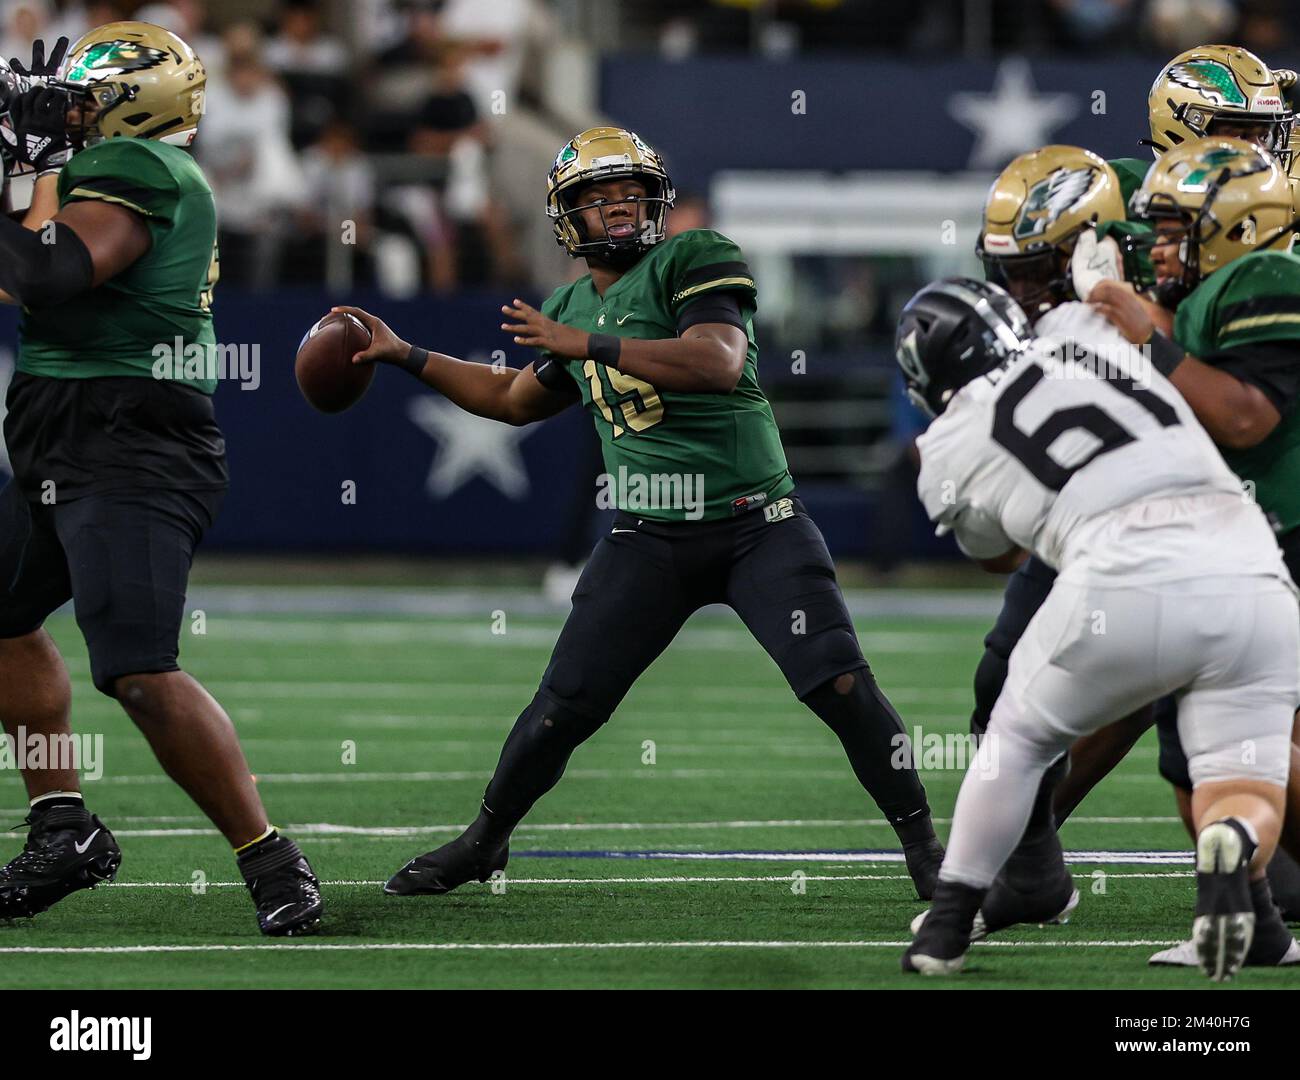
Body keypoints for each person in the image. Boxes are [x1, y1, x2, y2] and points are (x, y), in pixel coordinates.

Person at [334, 126, 945, 900]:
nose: (618, 207)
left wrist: (587, 343)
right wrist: (408, 355)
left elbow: (718, 362)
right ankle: (485, 840)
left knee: (840, 683)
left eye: (628, 191)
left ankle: (926, 850)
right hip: (647, 536)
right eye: (596, 197)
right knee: (562, 707)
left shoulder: (694, 257)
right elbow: (513, 400)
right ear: (568, 217)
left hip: (758, 524)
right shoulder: (568, 304)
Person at [0, 24, 320, 936]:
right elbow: (21, 274)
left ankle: (267, 855)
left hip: (129, 445)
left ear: (137, 103)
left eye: (81, 97)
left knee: (138, 672)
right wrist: (26, 179)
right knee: (2, 615)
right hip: (62, 434)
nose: (65, 110)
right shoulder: (114, 172)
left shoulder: (141, 171)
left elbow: (52, 273)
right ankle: (63, 826)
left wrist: (37, 167)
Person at [895, 277, 1299, 980]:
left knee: (1018, 737)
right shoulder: (1088, 331)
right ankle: (1243, 877)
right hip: (1253, 567)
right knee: (1243, 782)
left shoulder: (948, 443)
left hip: (1125, 570)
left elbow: (997, 555)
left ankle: (950, 921)